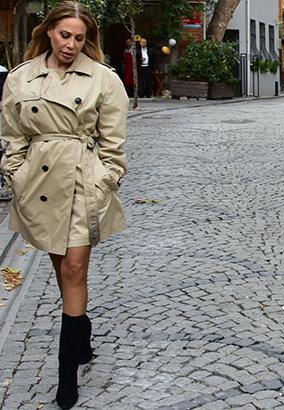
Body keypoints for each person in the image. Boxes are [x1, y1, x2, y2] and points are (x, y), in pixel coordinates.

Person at [0, 1, 128, 408]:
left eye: (80, 38)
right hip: (37, 185)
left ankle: (66, 376)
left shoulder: (103, 80)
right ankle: (83, 335)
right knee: (64, 273)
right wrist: (16, 175)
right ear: (49, 31)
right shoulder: (21, 78)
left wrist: (104, 179)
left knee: (74, 268)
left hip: (81, 183)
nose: (71, 44)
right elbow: (12, 136)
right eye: (64, 35)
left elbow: (114, 144)